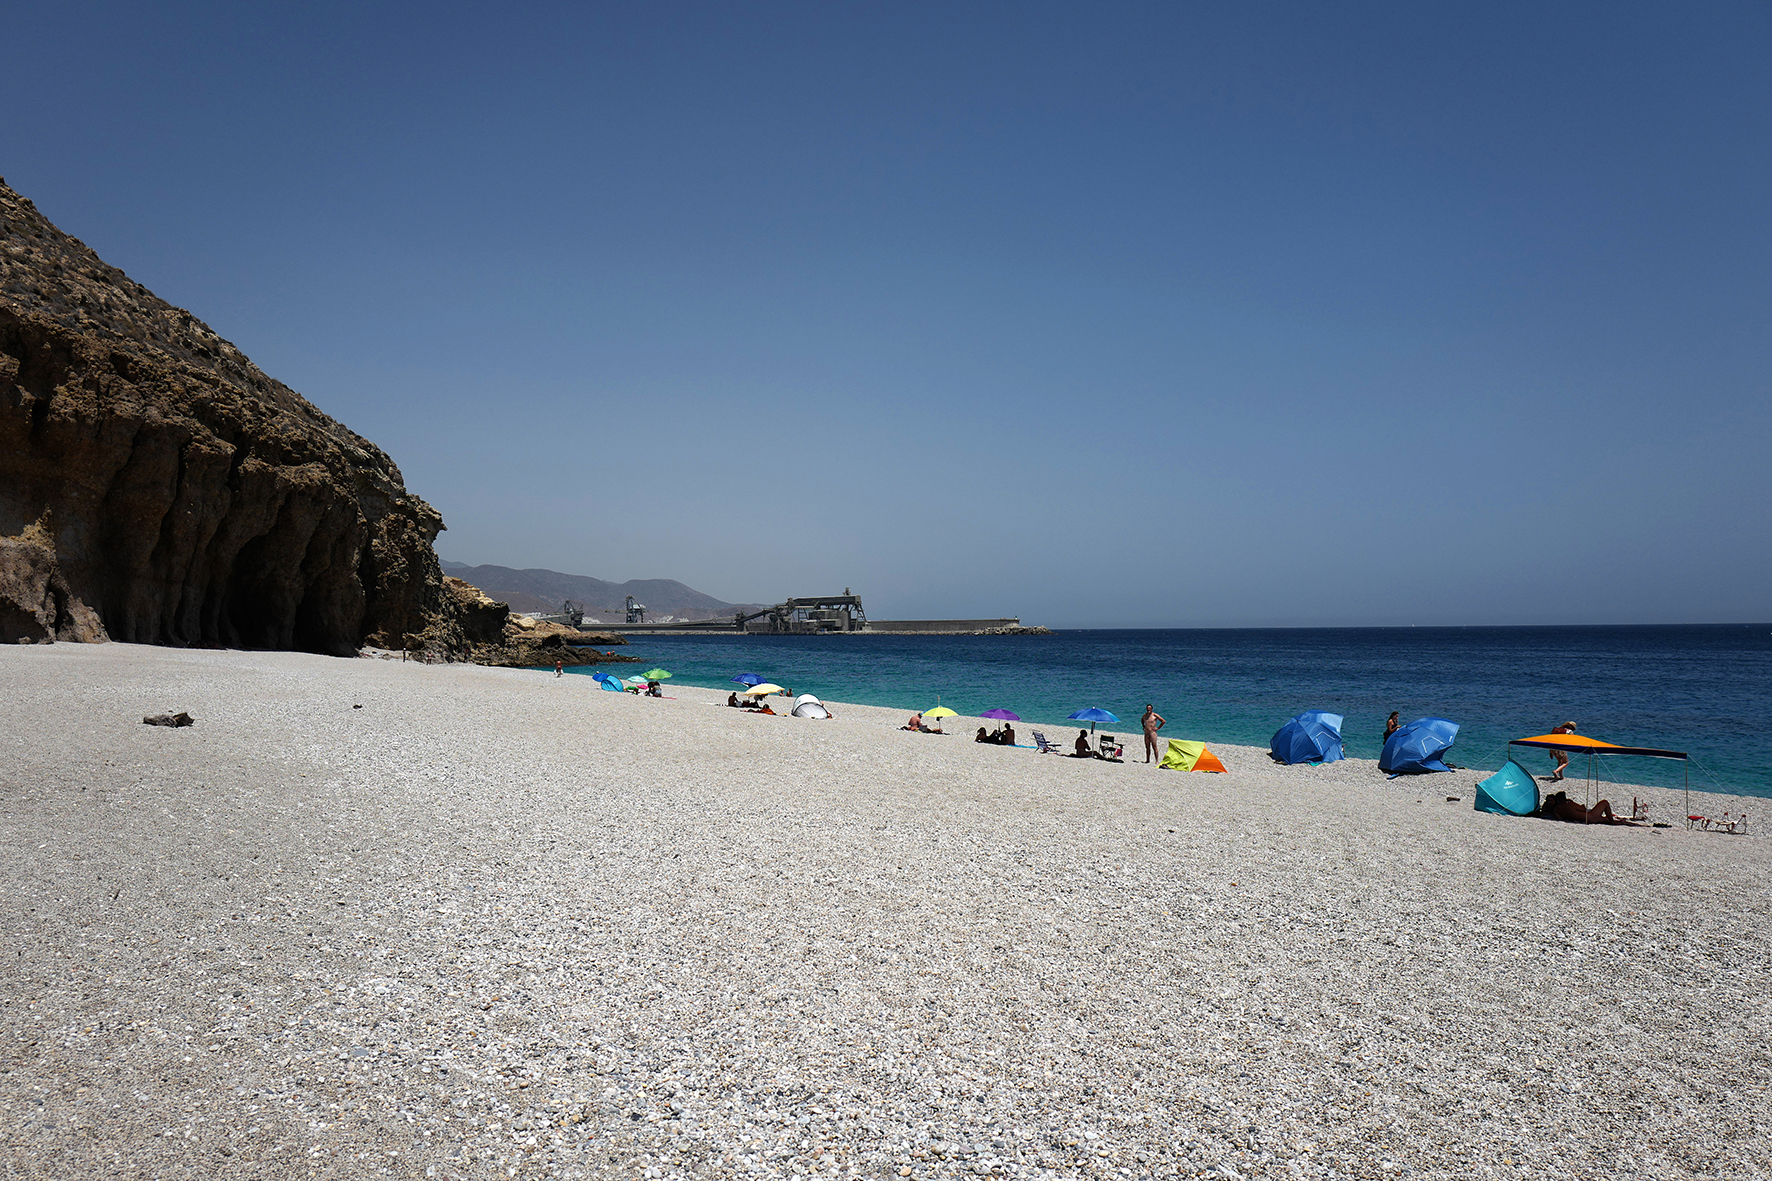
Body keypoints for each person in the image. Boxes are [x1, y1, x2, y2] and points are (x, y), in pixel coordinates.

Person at [1539, 790, 1642, 827]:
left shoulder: (1556, 810)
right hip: (1590, 817)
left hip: (1586, 819)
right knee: (1605, 802)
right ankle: (1613, 821)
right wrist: (1577, 805)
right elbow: (1583, 809)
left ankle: (1622, 822)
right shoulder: (1569, 804)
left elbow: (1560, 819)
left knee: (1605, 819)